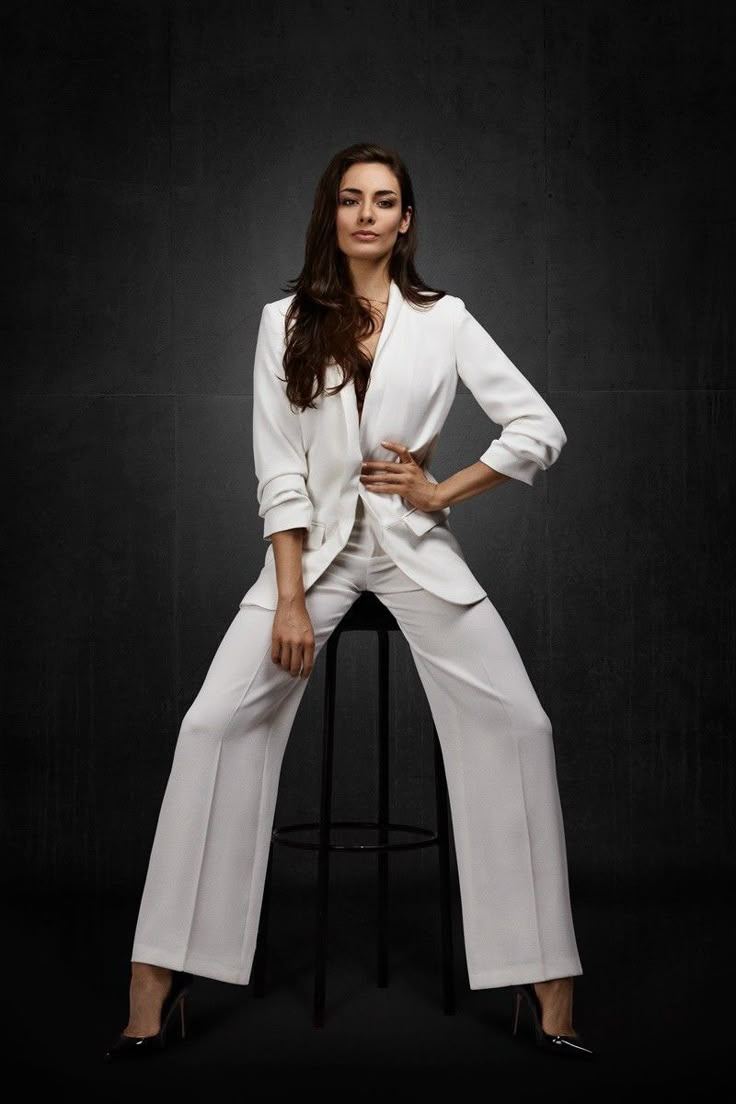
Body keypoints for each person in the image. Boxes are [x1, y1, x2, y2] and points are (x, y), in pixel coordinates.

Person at [105, 143, 593, 1062]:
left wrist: (442, 493)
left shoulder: (443, 320)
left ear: (407, 220)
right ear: (331, 215)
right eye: (350, 200)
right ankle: (156, 979)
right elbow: (278, 470)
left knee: (522, 726)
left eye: (385, 201)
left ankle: (548, 982)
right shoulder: (282, 320)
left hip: (415, 553)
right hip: (313, 560)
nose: (367, 214)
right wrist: (289, 598)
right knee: (211, 727)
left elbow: (537, 427)